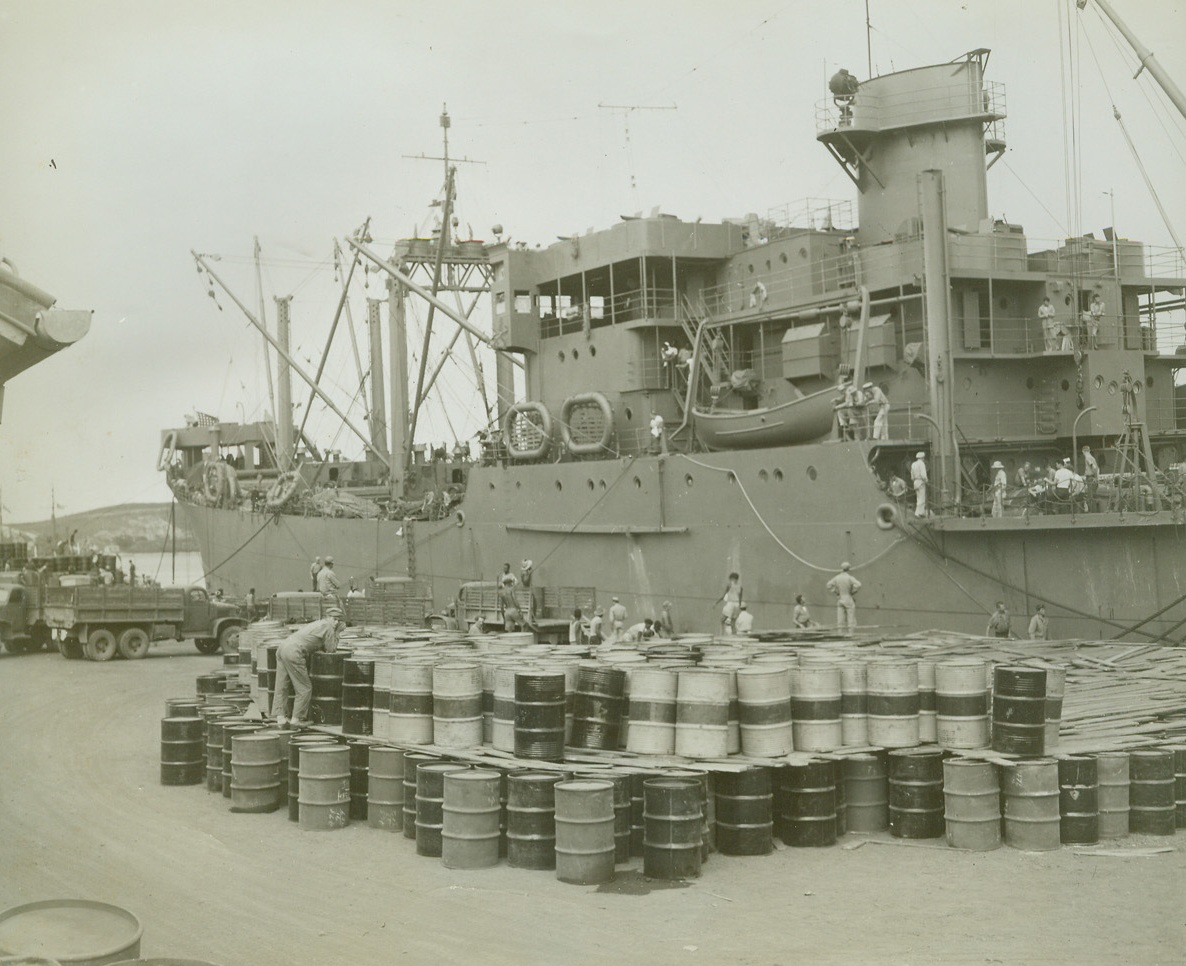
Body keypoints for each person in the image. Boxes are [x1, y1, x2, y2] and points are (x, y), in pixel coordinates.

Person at [272, 607, 346, 727]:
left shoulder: (319, 623)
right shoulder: (329, 627)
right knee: (304, 688)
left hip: (283, 647)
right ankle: (297, 719)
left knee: (281, 685)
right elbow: (331, 650)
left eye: (338, 620)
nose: (336, 622)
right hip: (294, 652)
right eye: (334, 619)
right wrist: (337, 632)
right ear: (328, 617)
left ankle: (280, 718)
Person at [826, 562, 861, 634]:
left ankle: (840, 633)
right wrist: (853, 591)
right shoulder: (849, 578)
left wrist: (835, 592)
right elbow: (859, 584)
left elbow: (828, 585)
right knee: (851, 617)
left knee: (840, 619)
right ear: (848, 569)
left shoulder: (837, 577)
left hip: (840, 598)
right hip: (848, 597)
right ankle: (851, 634)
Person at [1081, 444, 1100, 510]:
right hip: (1092, 478)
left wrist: (1095, 477)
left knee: (1090, 497)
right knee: (1092, 496)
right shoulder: (1092, 458)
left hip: (1090, 478)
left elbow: (1094, 467)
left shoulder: (1087, 457)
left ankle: (1092, 512)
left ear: (1084, 451)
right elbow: (1097, 469)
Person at [910, 451, 929, 517]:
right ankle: (919, 513)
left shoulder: (913, 464)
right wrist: (926, 481)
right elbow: (923, 474)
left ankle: (919, 512)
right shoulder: (921, 464)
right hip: (921, 482)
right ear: (922, 458)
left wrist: (914, 480)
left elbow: (912, 475)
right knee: (922, 498)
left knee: (918, 498)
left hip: (915, 482)